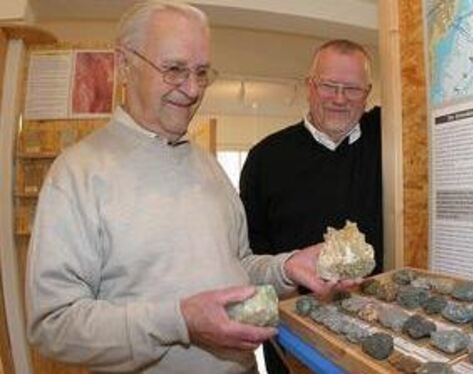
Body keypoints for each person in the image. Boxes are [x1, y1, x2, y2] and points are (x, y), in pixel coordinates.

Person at [25, 2, 348, 373]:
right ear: (124, 64)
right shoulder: (77, 173)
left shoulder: (207, 164)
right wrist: (179, 321)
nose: (193, 89)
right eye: (175, 70)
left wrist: (287, 268)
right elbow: (52, 324)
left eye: (201, 72)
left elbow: (238, 266)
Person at [239, 39, 383, 374]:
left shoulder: (390, 142)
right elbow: (249, 255)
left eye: (351, 88)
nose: (338, 98)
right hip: (295, 338)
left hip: (377, 335)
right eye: (328, 85)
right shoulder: (265, 158)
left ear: (368, 93)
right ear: (309, 86)